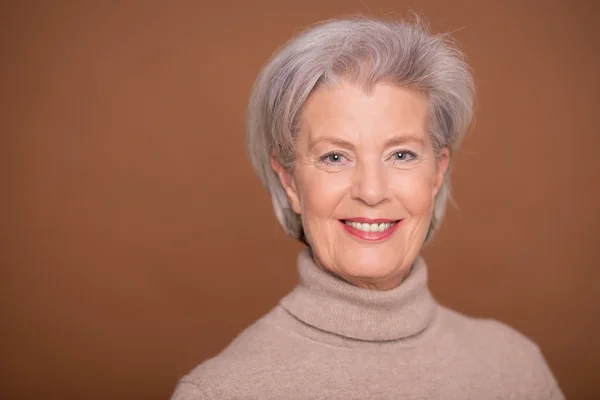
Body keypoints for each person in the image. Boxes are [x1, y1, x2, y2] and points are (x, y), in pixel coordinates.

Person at [171, 17, 564, 399]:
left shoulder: (516, 368)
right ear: (290, 181)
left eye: (402, 154)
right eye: (335, 158)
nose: (372, 192)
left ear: (437, 172)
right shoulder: (221, 392)